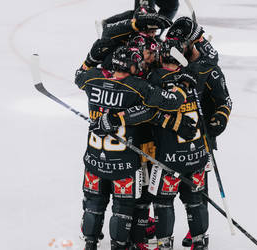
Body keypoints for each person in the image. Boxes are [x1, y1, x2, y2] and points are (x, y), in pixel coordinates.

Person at [75, 45, 193, 250]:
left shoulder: (92, 79)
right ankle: (119, 245)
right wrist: (182, 87)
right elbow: (166, 104)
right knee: (122, 210)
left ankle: (90, 243)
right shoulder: (138, 86)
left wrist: (92, 57)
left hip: (94, 160)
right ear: (130, 67)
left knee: (93, 205)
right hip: (123, 164)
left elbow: (79, 76)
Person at [166, 16, 233, 249]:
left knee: (196, 189)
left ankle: (197, 231)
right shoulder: (169, 64)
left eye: (180, 44)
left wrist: (218, 120)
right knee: (163, 189)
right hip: (169, 139)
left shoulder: (210, 70)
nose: (174, 49)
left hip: (199, 138)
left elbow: (225, 101)